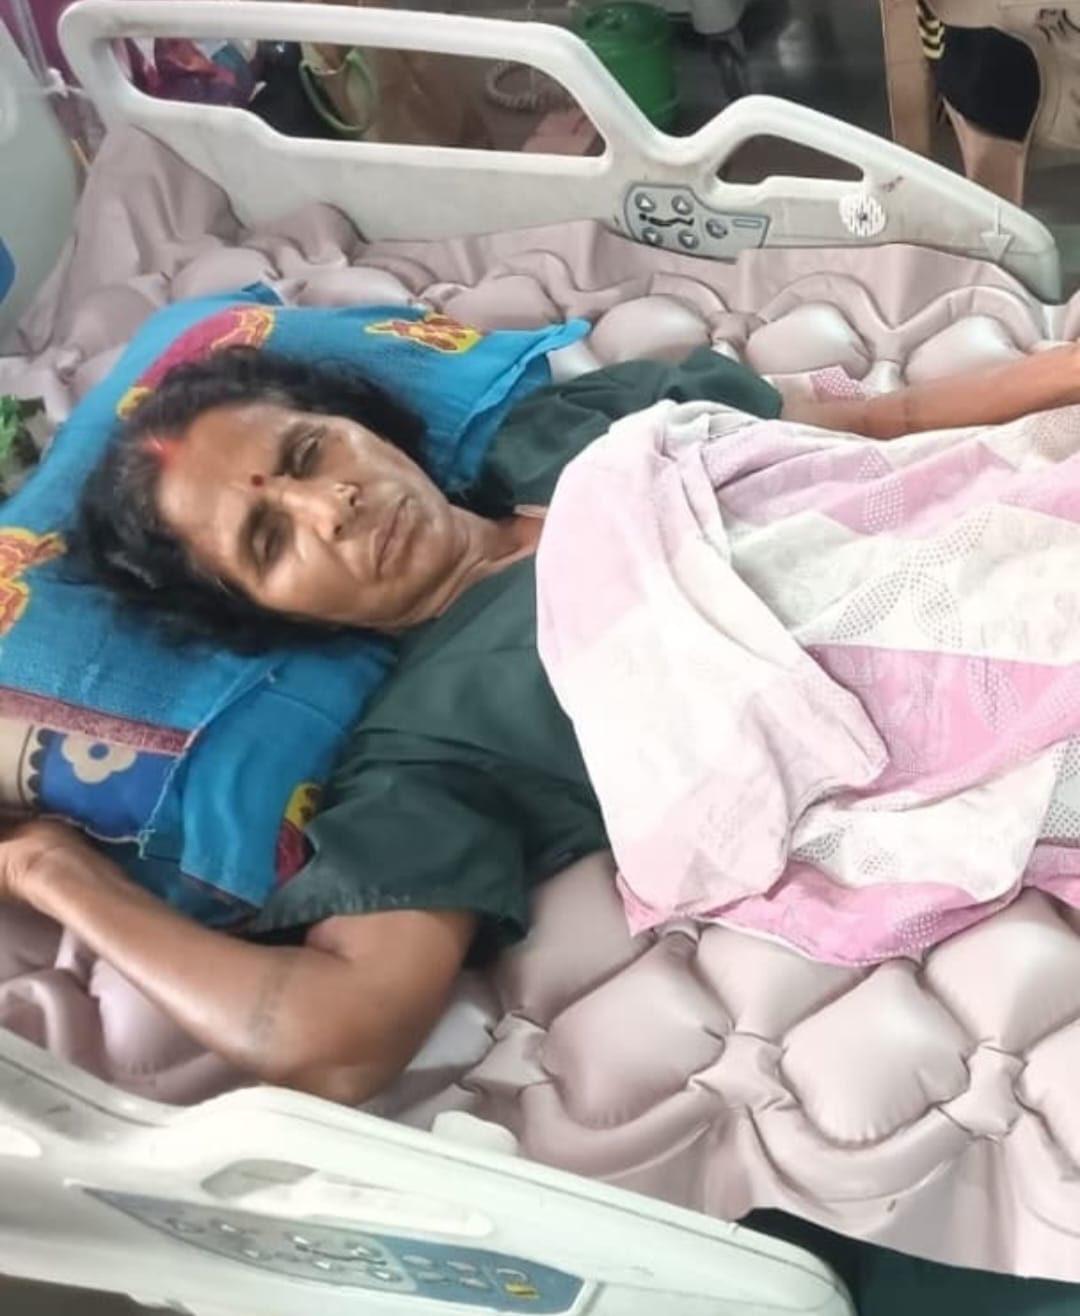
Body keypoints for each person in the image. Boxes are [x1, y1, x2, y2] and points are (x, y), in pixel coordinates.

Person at [2, 339, 1079, 1106]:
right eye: (271, 541)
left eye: (309, 453)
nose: (333, 506)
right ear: (260, 614)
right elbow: (336, 1036)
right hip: (985, 717)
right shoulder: (424, 744)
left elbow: (893, 426)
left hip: (1001, 523)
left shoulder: (572, 431)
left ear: (359, 425)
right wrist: (54, 871)